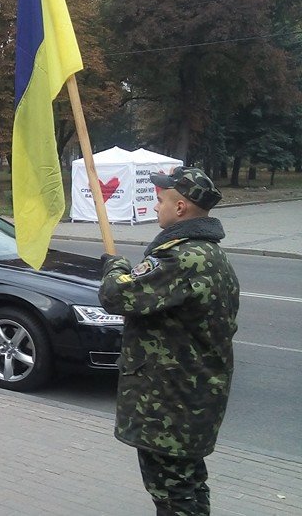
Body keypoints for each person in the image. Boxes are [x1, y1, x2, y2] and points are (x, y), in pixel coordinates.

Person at [98, 166, 239, 516]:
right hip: (193, 397)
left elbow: (116, 296)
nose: (155, 206)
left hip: (169, 404)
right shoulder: (213, 255)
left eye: (161, 200)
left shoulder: (181, 257)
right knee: (188, 485)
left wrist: (115, 266)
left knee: (172, 492)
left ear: (180, 208)